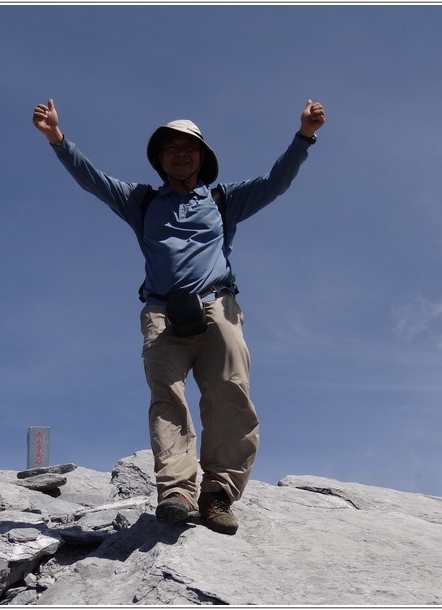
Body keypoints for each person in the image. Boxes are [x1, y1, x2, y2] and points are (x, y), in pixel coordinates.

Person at [32, 98, 326, 535]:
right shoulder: (142, 201)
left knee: (230, 395)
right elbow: (92, 180)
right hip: (162, 312)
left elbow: (275, 181)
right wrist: (58, 139)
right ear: (159, 160)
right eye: (170, 148)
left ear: (203, 157)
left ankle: (218, 494)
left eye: (188, 147)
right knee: (166, 398)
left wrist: (304, 136)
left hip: (217, 306)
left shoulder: (225, 200)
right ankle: (177, 491)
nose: (180, 153)